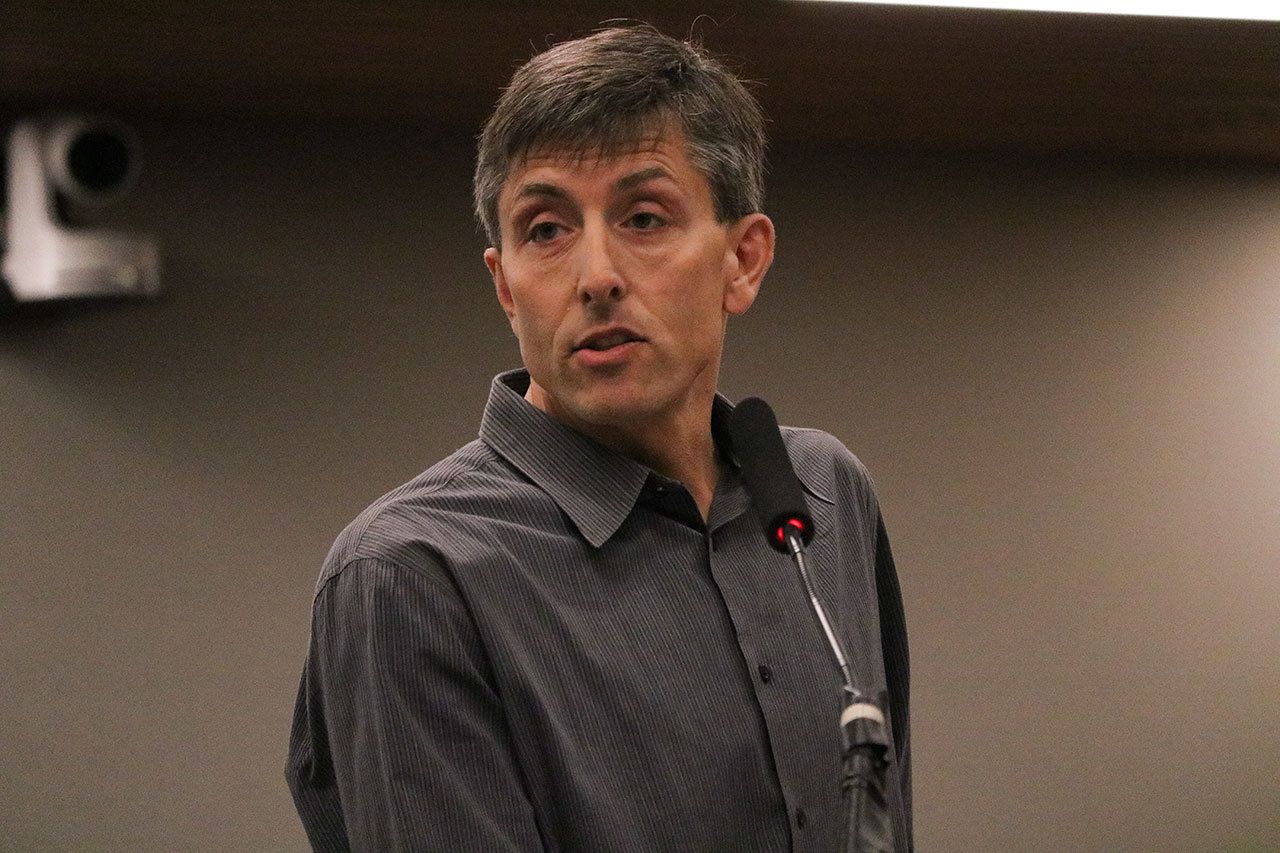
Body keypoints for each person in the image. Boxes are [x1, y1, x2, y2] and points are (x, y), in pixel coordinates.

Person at [286, 24, 911, 852]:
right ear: (505, 284)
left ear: (743, 260)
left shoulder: (823, 496)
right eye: (546, 230)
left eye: (645, 216)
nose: (596, 275)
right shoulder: (411, 576)